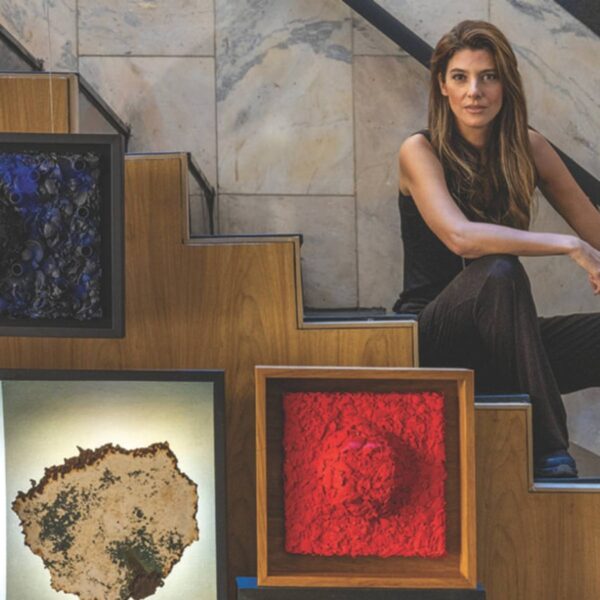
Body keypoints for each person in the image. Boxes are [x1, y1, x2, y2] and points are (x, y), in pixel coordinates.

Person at [392, 20, 600, 478]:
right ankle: (550, 452)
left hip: (508, 340)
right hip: (434, 341)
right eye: (460, 77)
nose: (475, 92)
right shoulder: (420, 151)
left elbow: (595, 230)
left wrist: (588, 244)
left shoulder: (529, 147)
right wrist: (568, 245)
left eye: (488, 76)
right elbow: (460, 237)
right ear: (442, 85)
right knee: (498, 269)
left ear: (505, 84)